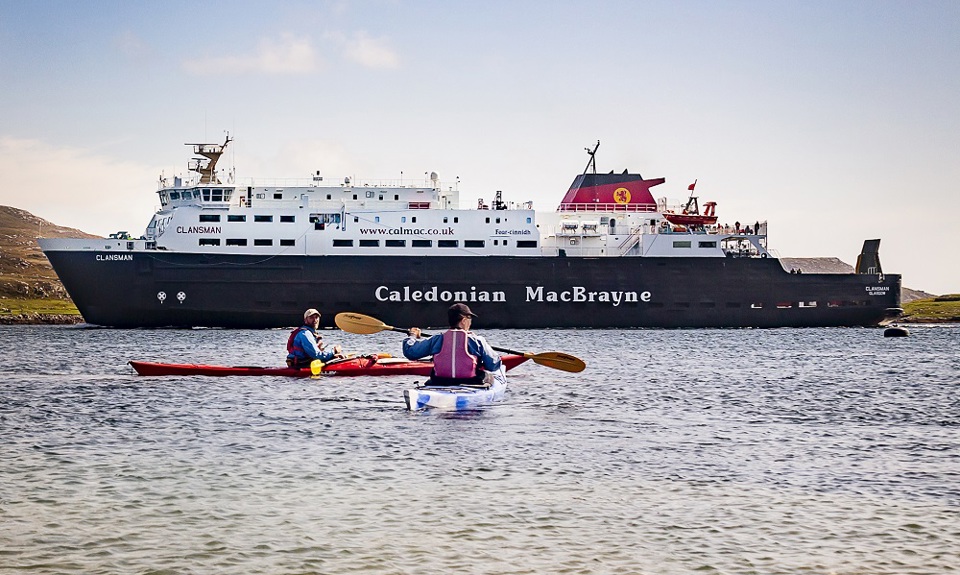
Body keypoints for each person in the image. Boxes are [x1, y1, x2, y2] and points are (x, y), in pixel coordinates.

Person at [403, 303, 501, 386]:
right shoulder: (477, 340)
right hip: (470, 383)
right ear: (463, 321)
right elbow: (493, 365)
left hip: (440, 382)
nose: (470, 322)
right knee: (488, 375)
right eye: (470, 318)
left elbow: (410, 352)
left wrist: (412, 335)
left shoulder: (437, 339)